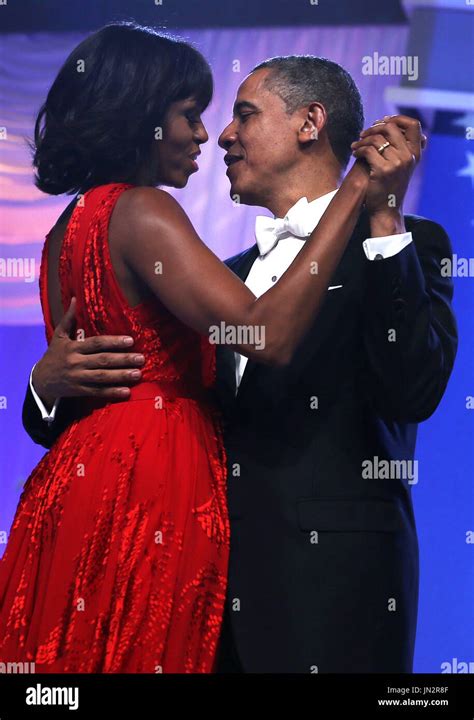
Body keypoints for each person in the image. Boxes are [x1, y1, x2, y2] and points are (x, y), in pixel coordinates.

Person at [20, 54, 456, 673]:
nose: (222, 134)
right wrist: (42, 386)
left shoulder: (403, 245)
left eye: (243, 115)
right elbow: (126, 408)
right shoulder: (226, 281)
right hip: (203, 591)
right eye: (206, 117)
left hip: (338, 594)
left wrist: (382, 217)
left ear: (311, 123)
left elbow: (415, 391)